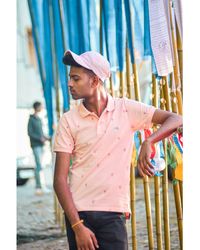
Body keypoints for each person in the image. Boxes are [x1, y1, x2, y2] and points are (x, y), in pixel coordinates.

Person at [53, 50, 182, 250]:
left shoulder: (126, 110)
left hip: (114, 214)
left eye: (75, 78)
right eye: (70, 78)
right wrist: (77, 226)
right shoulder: (68, 120)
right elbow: (59, 180)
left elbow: (176, 119)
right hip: (79, 215)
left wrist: (149, 142)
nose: (69, 83)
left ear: (95, 81)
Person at [28, 101, 51, 195]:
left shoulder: (39, 119)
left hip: (41, 145)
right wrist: (40, 138)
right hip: (36, 145)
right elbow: (30, 133)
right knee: (39, 166)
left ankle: (41, 186)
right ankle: (39, 186)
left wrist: (45, 137)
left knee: (40, 165)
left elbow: (40, 133)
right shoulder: (32, 119)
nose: (42, 107)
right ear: (37, 107)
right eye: (41, 106)